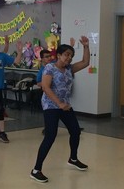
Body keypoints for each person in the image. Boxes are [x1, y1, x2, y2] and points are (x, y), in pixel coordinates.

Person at [30, 36, 90, 183]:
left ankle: (73, 158)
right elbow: (45, 87)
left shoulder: (69, 69)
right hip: (51, 106)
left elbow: (86, 62)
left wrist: (86, 47)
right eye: (66, 55)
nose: (69, 58)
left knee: (75, 131)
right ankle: (36, 169)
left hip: (65, 105)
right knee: (50, 136)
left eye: (71, 56)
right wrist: (59, 103)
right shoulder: (49, 68)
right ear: (58, 55)